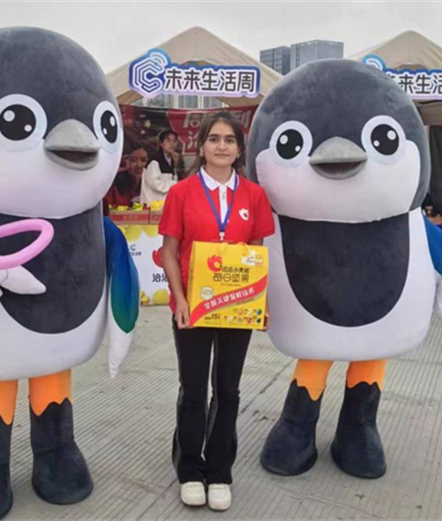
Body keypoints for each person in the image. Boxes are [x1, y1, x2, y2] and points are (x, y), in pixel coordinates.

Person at [159, 112, 275, 511]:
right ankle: (191, 469)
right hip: (192, 307)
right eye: (214, 139)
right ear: (202, 146)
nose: (221, 146)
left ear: (240, 149)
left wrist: (260, 303)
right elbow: (170, 253)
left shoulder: (254, 196)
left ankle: (220, 471)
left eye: (229, 140)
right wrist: (180, 299)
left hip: (236, 308)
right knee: (193, 391)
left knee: (228, 391)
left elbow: (256, 253)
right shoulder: (182, 193)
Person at [141, 129, 179, 205]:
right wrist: (176, 184)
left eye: (174, 141)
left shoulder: (170, 160)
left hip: (164, 204)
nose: (171, 144)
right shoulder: (155, 161)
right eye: (168, 141)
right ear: (161, 143)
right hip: (153, 205)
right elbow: (156, 184)